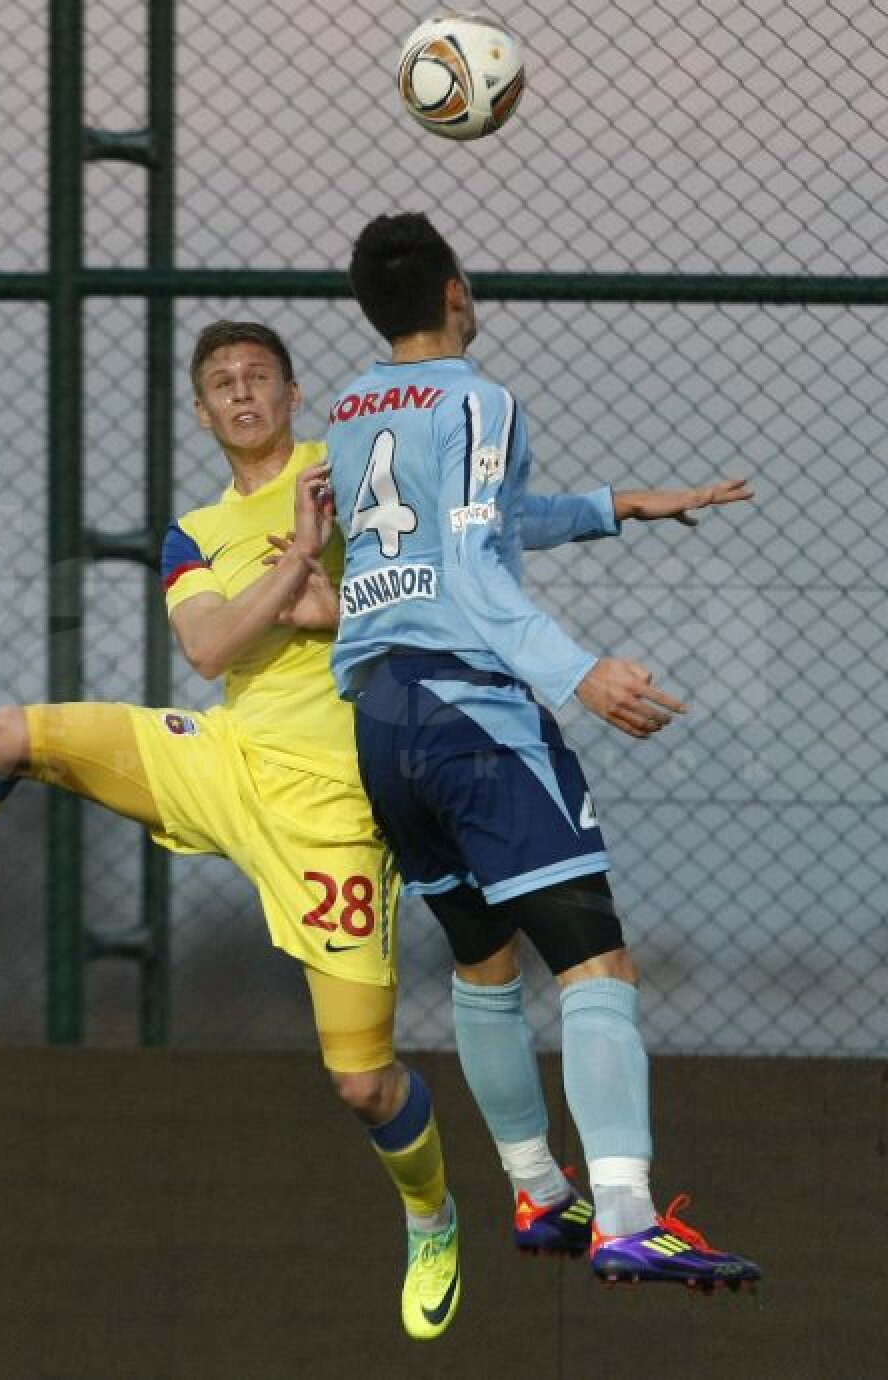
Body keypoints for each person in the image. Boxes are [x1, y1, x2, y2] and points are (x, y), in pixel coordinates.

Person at [0, 318, 752, 1328]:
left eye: (259, 377)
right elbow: (206, 643)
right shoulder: (193, 532)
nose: (242, 393)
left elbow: (475, 532)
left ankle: (430, 1217)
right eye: (222, 382)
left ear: (290, 393)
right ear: (201, 410)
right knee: (11, 733)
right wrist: (297, 579)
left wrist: (613, 507)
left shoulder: (347, 462)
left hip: (337, 811)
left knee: (362, 1083)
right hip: (225, 758)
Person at [318, 212, 761, 1290]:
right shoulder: (479, 398)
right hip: (473, 716)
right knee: (596, 962)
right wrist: (580, 671)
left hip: (383, 718)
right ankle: (624, 1213)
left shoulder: (349, 410)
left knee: (484, 964)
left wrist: (615, 508)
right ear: (458, 290)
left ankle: (536, 1188)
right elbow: (471, 569)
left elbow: (466, 524)